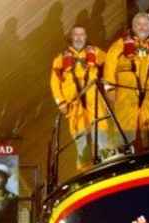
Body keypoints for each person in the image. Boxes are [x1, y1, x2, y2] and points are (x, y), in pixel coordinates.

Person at [104, 12, 149, 150]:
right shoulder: (118, 46)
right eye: (139, 24)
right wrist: (109, 89)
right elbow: (109, 68)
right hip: (126, 100)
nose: (142, 27)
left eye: (146, 24)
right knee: (124, 141)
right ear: (133, 26)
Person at [50, 25, 109, 168]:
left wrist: (108, 85)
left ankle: (106, 159)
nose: (78, 37)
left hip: (93, 99)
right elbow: (54, 81)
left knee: (100, 127)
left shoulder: (95, 52)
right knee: (80, 134)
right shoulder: (60, 58)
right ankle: (85, 168)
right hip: (74, 104)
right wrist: (60, 102)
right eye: (75, 34)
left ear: (86, 37)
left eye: (81, 34)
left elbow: (110, 64)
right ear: (71, 37)